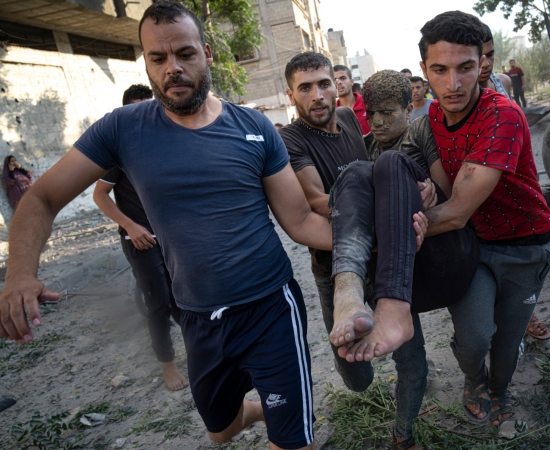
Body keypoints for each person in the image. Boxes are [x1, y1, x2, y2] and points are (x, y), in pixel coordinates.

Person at [0, 2, 342, 448]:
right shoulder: (122, 130)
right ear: (146, 62)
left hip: (271, 309)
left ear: (207, 54)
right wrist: (21, 273)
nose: (172, 69)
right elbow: (42, 197)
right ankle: (259, 412)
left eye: (185, 54)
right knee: (220, 432)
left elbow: (299, 220)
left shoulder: (255, 127)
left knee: (292, 442)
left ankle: (285, 423)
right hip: (198, 318)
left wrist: (376, 240)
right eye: (158, 59)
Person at [359, 11, 550, 427]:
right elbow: (437, 186)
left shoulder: (503, 115)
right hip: (475, 247)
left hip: (525, 246)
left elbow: (458, 209)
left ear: (482, 63)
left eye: (465, 68)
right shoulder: (429, 122)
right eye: (440, 71)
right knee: (475, 338)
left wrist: (394, 230)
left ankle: (498, 389)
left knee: (506, 345)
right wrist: (422, 190)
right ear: (424, 69)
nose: (454, 84)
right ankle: (473, 381)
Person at [281, 57, 474, 449]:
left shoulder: (355, 122)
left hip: (385, 259)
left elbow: (416, 183)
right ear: (291, 94)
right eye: (305, 88)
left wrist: (419, 196)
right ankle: (351, 315)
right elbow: (319, 200)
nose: (317, 95)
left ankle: (403, 435)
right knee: (356, 373)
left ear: (340, 87)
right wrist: (387, 217)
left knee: (411, 357)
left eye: (323, 84)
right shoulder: (291, 138)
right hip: (332, 263)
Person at [92, 83, 187, 391]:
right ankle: (168, 366)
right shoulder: (119, 151)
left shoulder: (168, 144)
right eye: (137, 108)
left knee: (185, 298)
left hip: (173, 237)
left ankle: (200, 351)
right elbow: (100, 195)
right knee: (158, 303)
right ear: (126, 112)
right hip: (141, 241)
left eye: (151, 106)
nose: (145, 113)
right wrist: (130, 226)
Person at [479, 24, 550, 342]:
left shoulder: (503, 82)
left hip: (515, 179)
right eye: (475, 56)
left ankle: (524, 316)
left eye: (490, 54)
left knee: (520, 265)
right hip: (478, 188)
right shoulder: (453, 96)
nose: (483, 63)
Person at [333, 64, 370, 134]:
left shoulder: (368, 102)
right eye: (334, 80)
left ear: (352, 82)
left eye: (343, 78)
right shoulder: (331, 111)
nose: (338, 82)